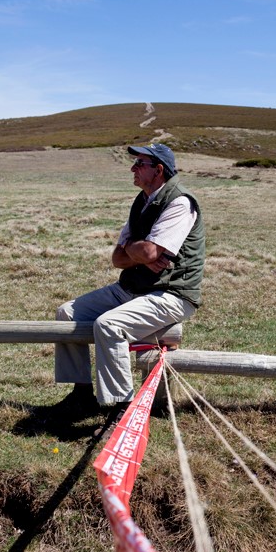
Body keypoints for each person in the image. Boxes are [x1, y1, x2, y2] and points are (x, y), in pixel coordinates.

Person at [54, 143, 205, 438]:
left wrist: (135, 250)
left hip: (171, 294)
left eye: (140, 163)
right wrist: (138, 252)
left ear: (159, 169)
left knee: (109, 325)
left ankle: (123, 408)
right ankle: (82, 393)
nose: (133, 168)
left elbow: (147, 252)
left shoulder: (180, 203)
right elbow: (118, 258)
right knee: (67, 312)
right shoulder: (142, 201)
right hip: (132, 287)